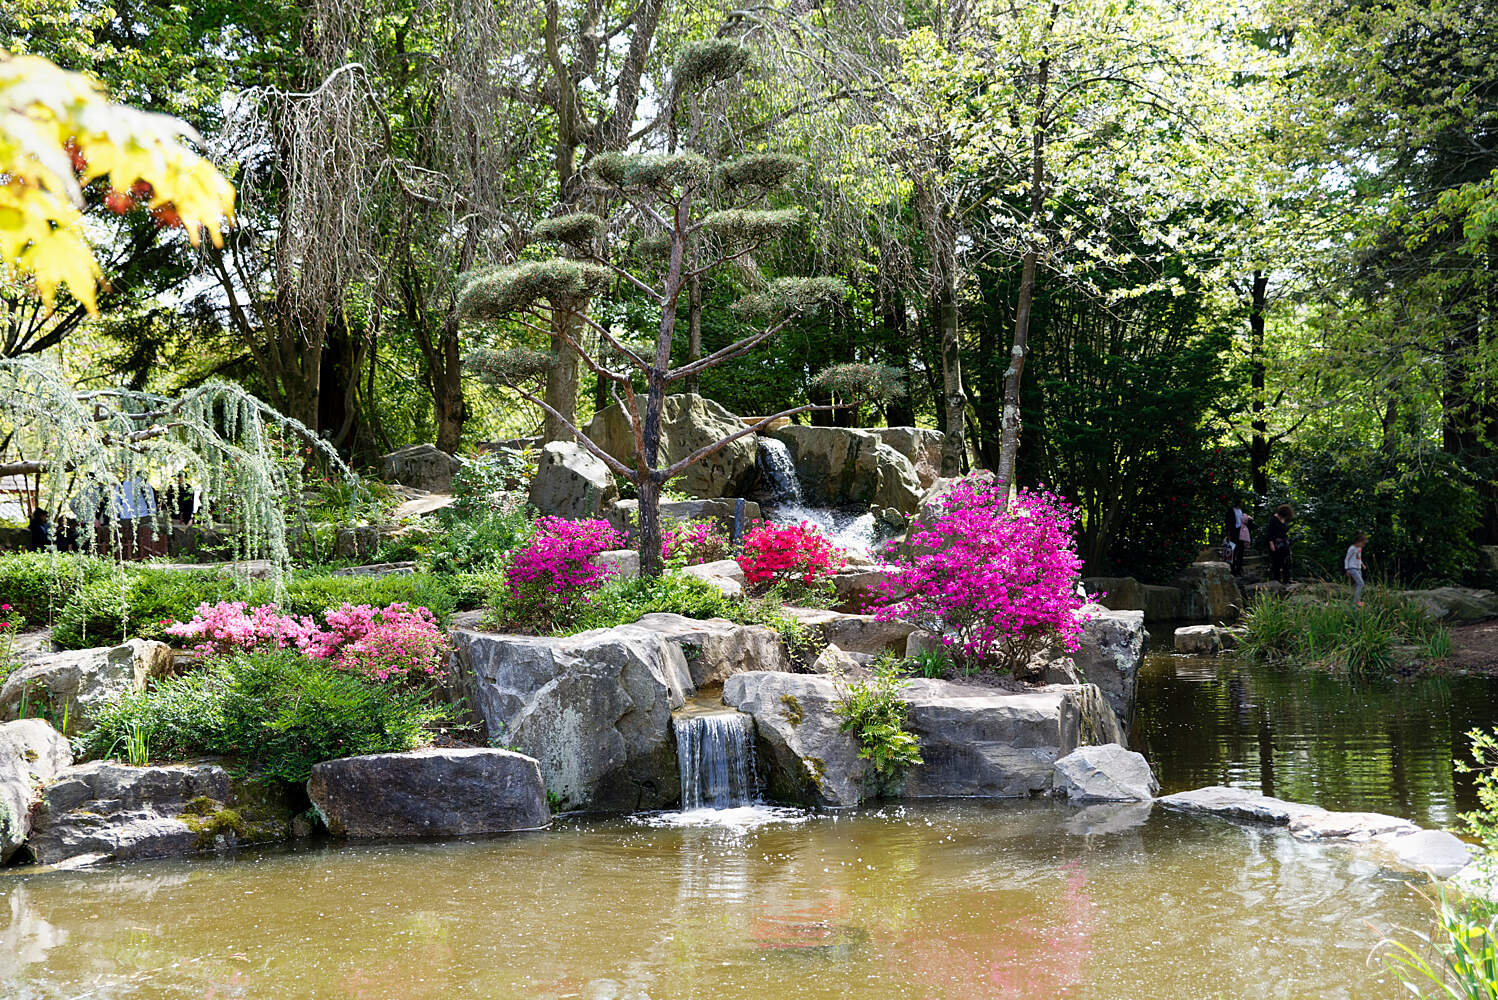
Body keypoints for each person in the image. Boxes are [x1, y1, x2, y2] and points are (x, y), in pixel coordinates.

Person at [1266, 504, 1293, 584]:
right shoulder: (1273, 520)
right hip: (1275, 544)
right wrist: (1271, 544)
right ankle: (1276, 580)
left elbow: (1285, 533)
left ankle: (1286, 579)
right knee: (1276, 562)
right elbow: (1269, 533)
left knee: (1286, 562)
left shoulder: (1284, 519)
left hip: (1284, 544)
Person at [1345, 532, 1368, 606]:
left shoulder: (1359, 548)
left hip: (1358, 568)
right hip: (1352, 568)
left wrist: (1362, 564)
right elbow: (1346, 559)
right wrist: (1347, 569)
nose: (1363, 545)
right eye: (1362, 543)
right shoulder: (1352, 548)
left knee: (1359, 584)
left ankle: (1357, 600)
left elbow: (1358, 557)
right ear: (1358, 542)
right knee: (1361, 583)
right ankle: (1356, 602)